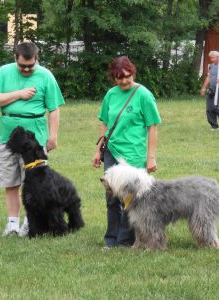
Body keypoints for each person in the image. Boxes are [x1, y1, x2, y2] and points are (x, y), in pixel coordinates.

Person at [0, 42, 65, 237]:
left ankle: (30, 223)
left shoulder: (46, 75)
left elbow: (54, 109)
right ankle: (12, 224)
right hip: (7, 137)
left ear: (36, 59)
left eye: (31, 66)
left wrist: (53, 136)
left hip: (35, 140)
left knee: (35, 184)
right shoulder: (4, 72)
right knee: (10, 181)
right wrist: (19, 94)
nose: (27, 69)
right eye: (23, 66)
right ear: (15, 58)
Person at [92, 56, 161, 249]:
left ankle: (126, 240)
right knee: (111, 198)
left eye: (127, 77)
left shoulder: (144, 95)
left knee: (131, 201)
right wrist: (98, 151)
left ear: (133, 73)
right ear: (113, 78)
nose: (123, 81)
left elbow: (152, 127)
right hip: (112, 152)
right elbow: (105, 123)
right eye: (119, 78)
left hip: (133, 155)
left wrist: (151, 157)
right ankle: (111, 240)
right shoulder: (111, 95)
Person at [200, 50, 219, 130]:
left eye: (213, 58)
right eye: (211, 58)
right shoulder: (212, 66)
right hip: (212, 89)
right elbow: (209, 77)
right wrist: (204, 88)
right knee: (209, 108)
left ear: (218, 57)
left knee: (215, 107)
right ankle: (214, 126)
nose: (211, 60)